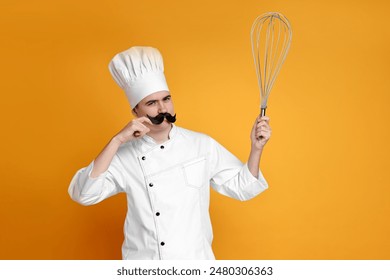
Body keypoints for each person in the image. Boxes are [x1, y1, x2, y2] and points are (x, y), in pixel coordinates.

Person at [68, 46, 271, 260]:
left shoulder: (201, 145)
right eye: (151, 103)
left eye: (166, 99)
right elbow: (84, 194)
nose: (162, 109)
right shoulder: (123, 155)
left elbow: (243, 187)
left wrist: (256, 148)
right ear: (135, 112)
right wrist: (116, 140)